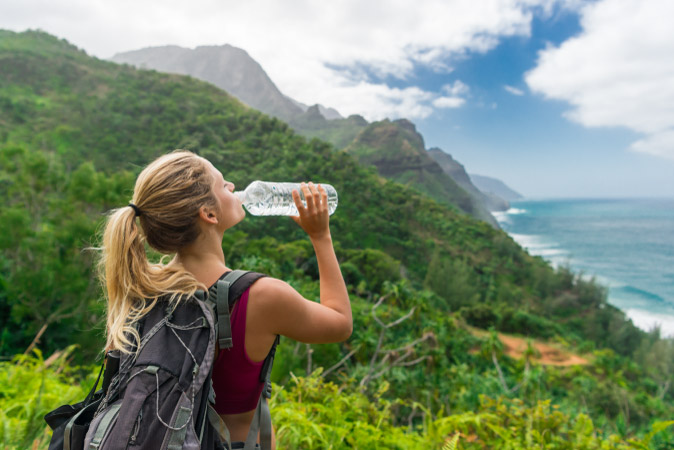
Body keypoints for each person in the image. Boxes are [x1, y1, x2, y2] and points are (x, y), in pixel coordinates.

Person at [100, 150, 352, 449]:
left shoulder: (140, 287)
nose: (233, 185)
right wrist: (320, 235)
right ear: (209, 214)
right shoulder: (260, 295)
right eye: (223, 185)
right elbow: (340, 323)